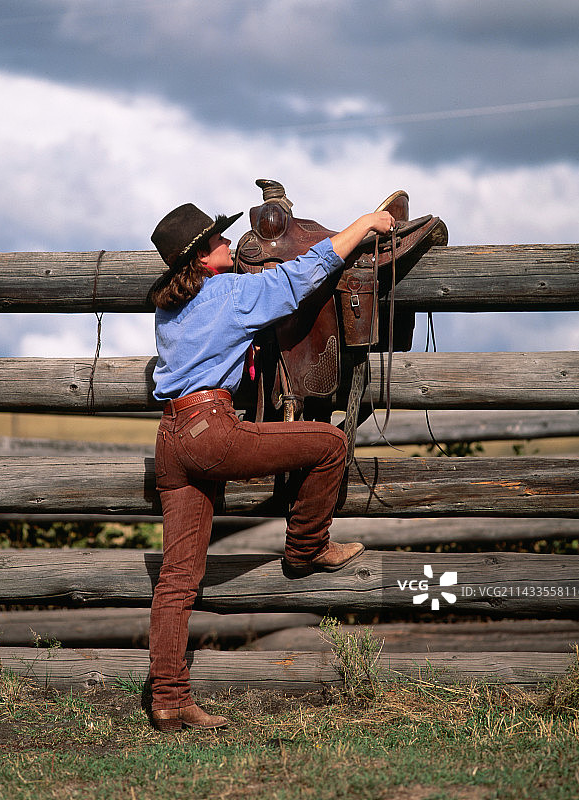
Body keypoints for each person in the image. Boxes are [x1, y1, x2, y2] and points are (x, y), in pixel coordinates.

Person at [146, 199, 396, 732]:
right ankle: (307, 547)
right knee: (329, 442)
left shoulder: (169, 313)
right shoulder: (230, 294)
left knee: (177, 579)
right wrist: (367, 223)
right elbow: (303, 275)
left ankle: (168, 698)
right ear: (200, 260)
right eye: (216, 243)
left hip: (169, 437)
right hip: (209, 428)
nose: (226, 247)